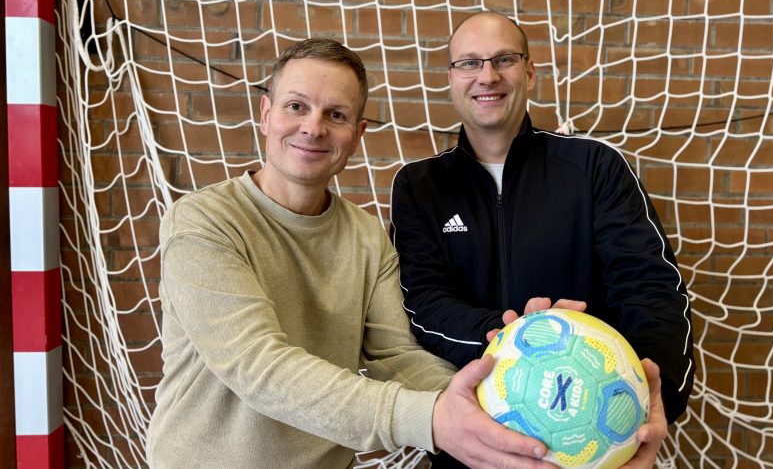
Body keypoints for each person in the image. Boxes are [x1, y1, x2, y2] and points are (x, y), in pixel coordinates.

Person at [146, 39, 562, 469]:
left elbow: (396, 356)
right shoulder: (203, 221)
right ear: (266, 114)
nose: (313, 127)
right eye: (296, 107)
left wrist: (500, 396)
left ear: (357, 134)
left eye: (336, 115)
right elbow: (258, 366)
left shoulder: (365, 234)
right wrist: (432, 419)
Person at [390, 12, 696, 468]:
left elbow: (651, 289)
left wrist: (654, 390)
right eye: (469, 63)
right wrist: (518, 338)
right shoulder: (419, 186)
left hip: (591, 443)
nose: (487, 76)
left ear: (529, 72)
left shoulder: (595, 167)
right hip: (472, 444)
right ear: (451, 78)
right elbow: (423, 302)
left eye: (504, 60)